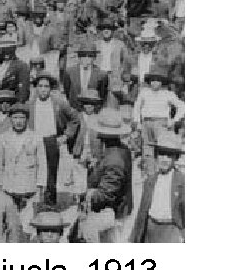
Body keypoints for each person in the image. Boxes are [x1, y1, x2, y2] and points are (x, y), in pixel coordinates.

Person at [79, 108, 133, 243]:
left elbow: (107, 194)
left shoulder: (114, 159)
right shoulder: (118, 150)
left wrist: (85, 195)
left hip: (110, 214)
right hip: (115, 211)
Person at [0, 102, 47, 237]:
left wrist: (41, 186)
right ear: (10, 119)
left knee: (27, 225)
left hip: (29, 188)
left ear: (27, 119)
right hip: (9, 187)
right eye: (15, 117)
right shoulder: (4, 138)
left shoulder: (35, 137)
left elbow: (42, 163)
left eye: (22, 118)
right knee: (10, 223)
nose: (18, 121)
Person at [28, 72, 80, 205]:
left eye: (46, 86)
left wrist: (65, 136)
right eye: (40, 86)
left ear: (51, 88)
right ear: (36, 88)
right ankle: (35, 202)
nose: (43, 89)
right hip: (35, 140)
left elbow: (75, 118)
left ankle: (50, 204)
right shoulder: (30, 104)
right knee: (34, 170)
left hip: (51, 141)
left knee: (51, 173)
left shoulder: (58, 103)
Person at [130, 131, 185, 243]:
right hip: (151, 228)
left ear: (176, 158)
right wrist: (135, 237)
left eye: (169, 155)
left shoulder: (181, 181)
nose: (164, 159)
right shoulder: (150, 180)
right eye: (161, 154)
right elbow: (142, 211)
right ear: (156, 155)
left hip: (170, 229)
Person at [132, 64, 184, 176]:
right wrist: (138, 123)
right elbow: (137, 107)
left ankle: (162, 173)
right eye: (152, 80)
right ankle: (150, 175)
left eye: (158, 80)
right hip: (146, 123)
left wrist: (173, 121)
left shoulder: (167, 94)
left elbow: (182, 107)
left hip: (161, 123)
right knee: (147, 150)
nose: (155, 83)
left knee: (162, 148)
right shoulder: (144, 92)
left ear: (162, 82)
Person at [63, 42, 109, 111]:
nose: (86, 58)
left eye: (90, 56)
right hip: (74, 111)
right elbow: (67, 92)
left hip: (92, 111)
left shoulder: (102, 75)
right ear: (79, 57)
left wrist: (95, 109)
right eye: (83, 55)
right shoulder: (69, 72)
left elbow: (102, 96)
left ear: (94, 58)